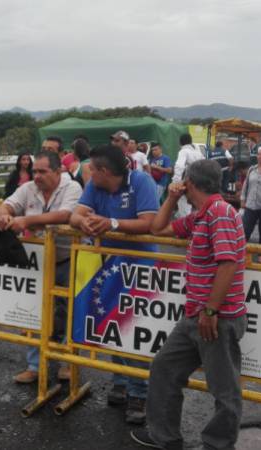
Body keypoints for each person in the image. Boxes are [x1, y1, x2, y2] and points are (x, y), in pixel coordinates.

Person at [132, 159, 247, 450]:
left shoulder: (219, 212)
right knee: (165, 368)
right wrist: (171, 197)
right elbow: (157, 229)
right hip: (196, 315)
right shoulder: (201, 215)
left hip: (215, 318)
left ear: (190, 183)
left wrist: (211, 309)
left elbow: (228, 263)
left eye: (183, 183)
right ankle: (164, 436)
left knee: (224, 389)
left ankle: (218, 444)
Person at [69, 144, 159, 425]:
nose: (88, 173)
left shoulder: (142, 181)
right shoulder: (95, 187)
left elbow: (150, 223)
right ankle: (120, 380)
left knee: (134, 329)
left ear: (104, 171)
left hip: (139, 269)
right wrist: (86, 224)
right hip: (107, 267)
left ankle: (139, 393)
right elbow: (75, 215)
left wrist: (112, 223)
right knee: (111, 325)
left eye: (92, 169)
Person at [0, 151, 83, 383]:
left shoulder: (72, 187)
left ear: (58, 171)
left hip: (68, 258)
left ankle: (68, 362)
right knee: (34, 310)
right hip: (39, 261)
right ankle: (34, 365)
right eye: (35, 171)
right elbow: (5, 206)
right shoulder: (28, 188)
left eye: (43, 171)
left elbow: (65, 215)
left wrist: (26, 221)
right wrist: (4, 216)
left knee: (70, 311)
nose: (37, 176)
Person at [173, 133, 205, 217]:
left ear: (180, 142)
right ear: (191, 141)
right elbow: (204, 163)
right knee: (195, 204)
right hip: (199, 181)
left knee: (183, 203)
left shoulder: (183, 151)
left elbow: (179, 166)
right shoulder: (198, 152)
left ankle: (186, 225)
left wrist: (176, 182)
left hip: (187, 181)